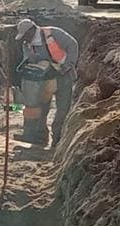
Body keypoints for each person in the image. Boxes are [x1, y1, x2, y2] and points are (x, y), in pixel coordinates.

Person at [14, 18, 79, 148]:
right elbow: (29, 59)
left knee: (63, 108)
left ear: (32, 30)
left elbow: (73, 45)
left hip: (63, 76)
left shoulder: (53, 33)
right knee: (41, 107)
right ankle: (40, 136)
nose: (24, 39)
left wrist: (69, 64)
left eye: (26, 35)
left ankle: (58, 139)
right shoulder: (27, 43)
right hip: (44, 80)